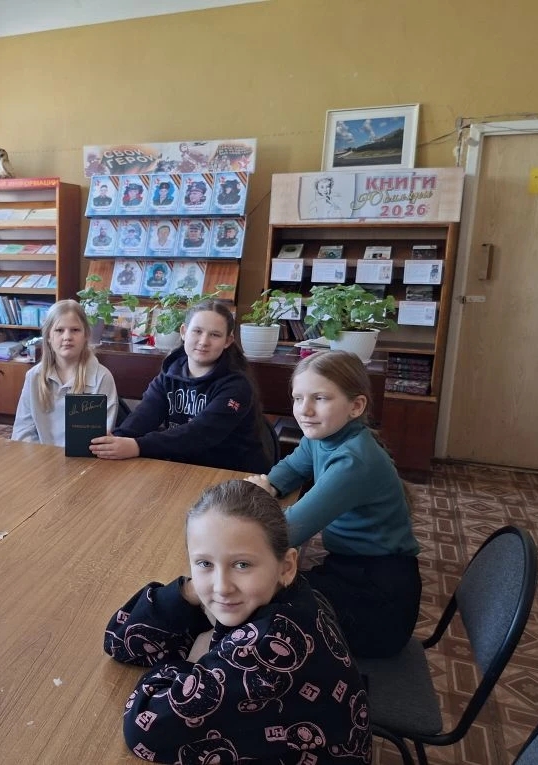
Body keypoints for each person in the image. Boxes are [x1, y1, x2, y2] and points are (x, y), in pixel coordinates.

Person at [104, 480, 371, 764]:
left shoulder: (268, 643)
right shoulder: (284, 593)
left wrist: (188, 665)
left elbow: (145, 730)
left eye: (242, 565)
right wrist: (191, 590)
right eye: (205, 563)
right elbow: (121, 640)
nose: (222, 587)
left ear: (286, 567)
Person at [245, 350, 421, 658]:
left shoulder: (353, 461)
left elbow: (288, 531)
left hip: (380, 600)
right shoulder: (323, 436)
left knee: (254, 600)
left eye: (320, 398)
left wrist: (256, 501)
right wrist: (269, 485)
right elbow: (292, 467)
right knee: (256, 594)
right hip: (350, 567)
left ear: (356, 406)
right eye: (298, 398)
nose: (305, 410)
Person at [90, 300, 271, 474]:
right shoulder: (169, 374)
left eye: (215, 335)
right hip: (182, 469)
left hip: (232, 475)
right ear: (184, 332)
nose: (204, 341)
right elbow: (143, 416)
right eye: (197, 331)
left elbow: (199, 434)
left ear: (228, 341)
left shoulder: (237, 386)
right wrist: (116, 439)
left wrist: (137, 446)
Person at [12, 300, 117, 446]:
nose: (67, 337)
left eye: (75, 330)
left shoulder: (102, 378)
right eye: (59, 330)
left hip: (82, 457)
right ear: (48, 336)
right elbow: (22, 432)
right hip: (39, 456)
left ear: (86, 335)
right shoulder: (34, 376)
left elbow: (101, 438)